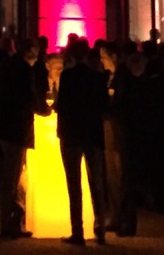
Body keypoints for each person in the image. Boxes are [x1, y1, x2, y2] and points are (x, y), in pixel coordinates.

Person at [53, 38, 110, 246]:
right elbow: (105, 106)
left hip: (71, 134)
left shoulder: (67, 76)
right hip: (93, 134)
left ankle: (77, 230)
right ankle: (100, 227)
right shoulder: (98, 77)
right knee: (97, 183)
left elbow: (62, 105)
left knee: (74, 184)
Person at [0, 38, 42, 238]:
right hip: (18, 128)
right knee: (13, 177)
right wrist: (43, 109)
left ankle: (10, 221)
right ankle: (8, 224)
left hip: (5, 126)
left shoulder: (6, 65)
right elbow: (29, 97)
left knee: (11, 175)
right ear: (29, 51)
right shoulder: (24, 69)